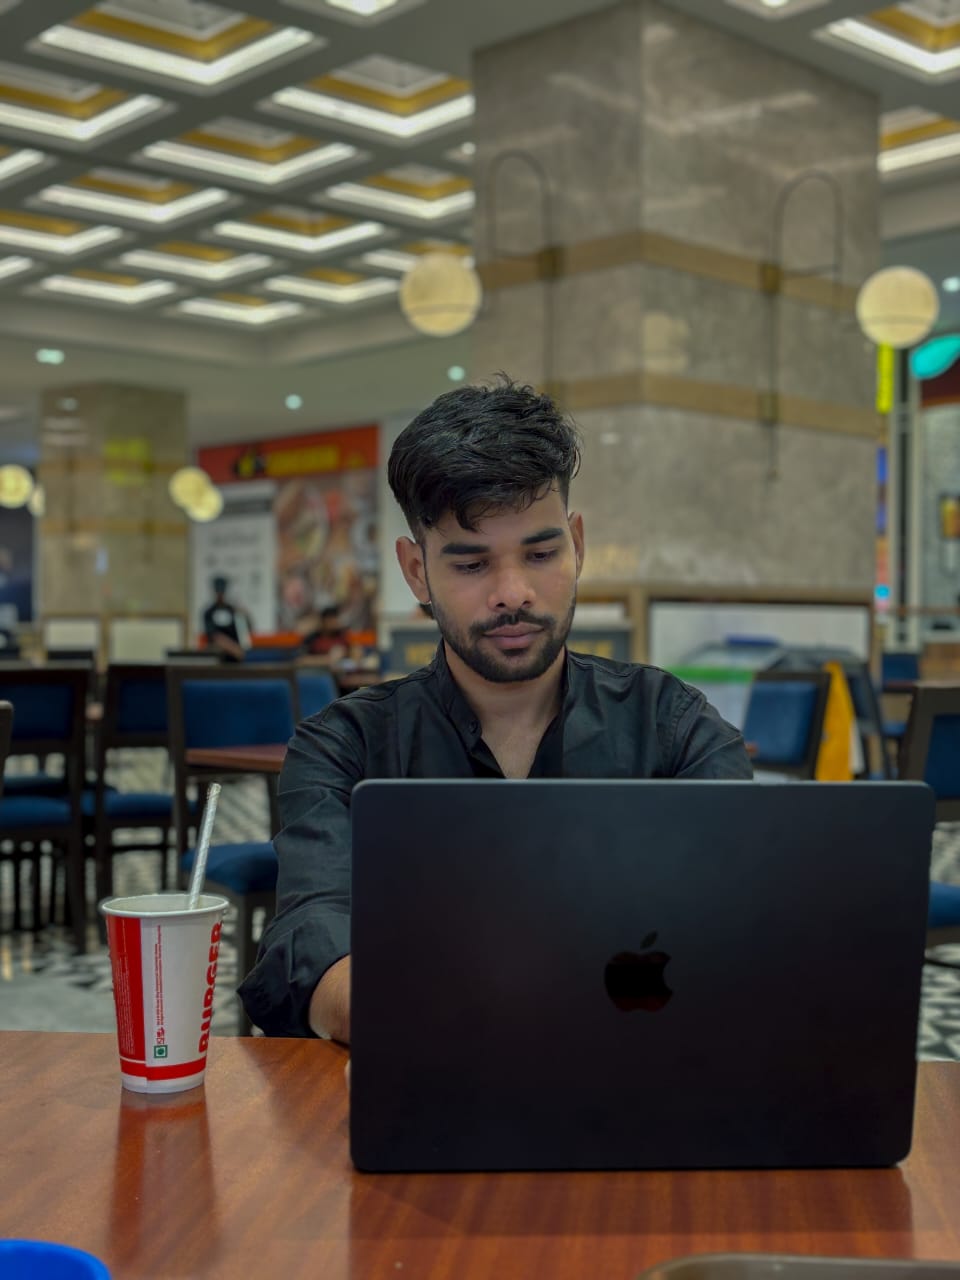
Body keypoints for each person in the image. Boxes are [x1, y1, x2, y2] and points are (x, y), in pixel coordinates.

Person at [238, 377, 752, 1041]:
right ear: (417, 572)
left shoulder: (673, 727)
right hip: (426, 1079)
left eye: (541, 553)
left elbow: (742, 929)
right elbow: (313, 946)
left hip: (644, 1073)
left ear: (577, 546)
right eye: (471, 564)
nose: (513, 593)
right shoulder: (345, 749)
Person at [201, 575, 252, 662]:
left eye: (222, 591)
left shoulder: (233, 610)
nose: (220, 594)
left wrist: (246, 616)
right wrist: (232, 648)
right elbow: (213, 635)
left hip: (235, 657)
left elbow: (244, 632)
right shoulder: (209, 612)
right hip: (217, 655)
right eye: (218, 591)